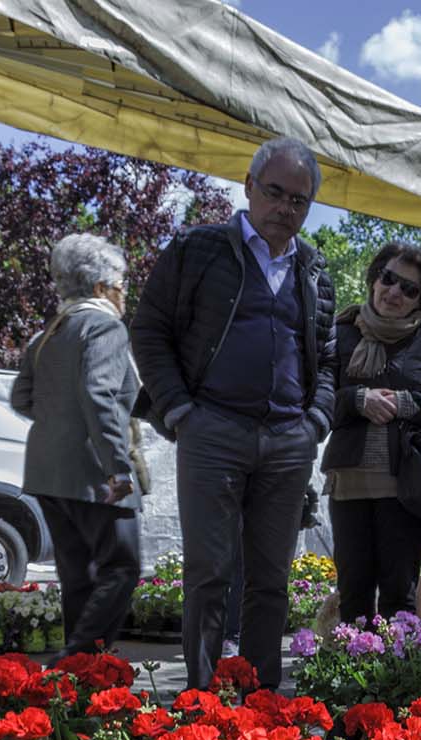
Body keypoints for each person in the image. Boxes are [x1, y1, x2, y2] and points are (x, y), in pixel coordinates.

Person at [132, 136, 336, 692]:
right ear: (248, 187)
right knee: (208, 574)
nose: (285, 208)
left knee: (270, 580)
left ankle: (261, 696)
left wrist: (315, 421)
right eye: (275, 193)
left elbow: (329, 360)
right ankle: (201, 699)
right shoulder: (197, 251)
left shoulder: (315, 271)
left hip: (288, 439)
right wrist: (178, 410)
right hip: (212, 428)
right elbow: (149, 330)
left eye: (299, 200)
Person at [11, 234, 142, 657]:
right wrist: (118, 468)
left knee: (78, 573)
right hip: (94, 471)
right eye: (122, 286)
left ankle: (81, 671)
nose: (125, 295)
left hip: (47, 471)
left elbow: (21, 398)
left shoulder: (51, 331)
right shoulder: (104, 325)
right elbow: (98, 393)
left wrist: (60, 424)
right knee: (122, 567)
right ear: (101, 287)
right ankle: (78, 658)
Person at [321, 241, 421, 625]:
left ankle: (395, 680)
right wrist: (356, 400)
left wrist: (407, 403)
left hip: (407, 485)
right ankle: (353, 680)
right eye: (389, 279)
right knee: (353, 590)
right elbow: (315, 404)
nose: (395, 292)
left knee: (400, 593)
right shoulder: (342, 333)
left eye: (409, 288)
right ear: (374, 279)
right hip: (348, 482)